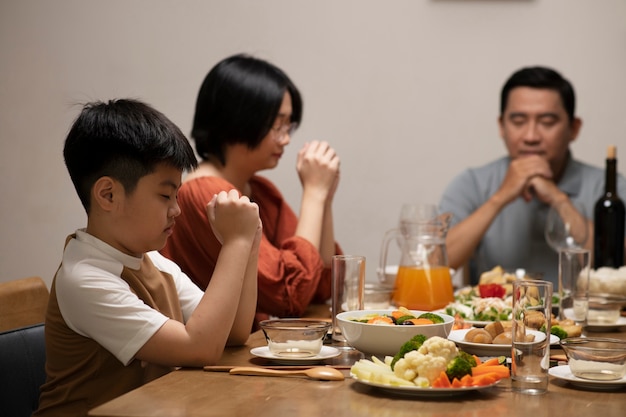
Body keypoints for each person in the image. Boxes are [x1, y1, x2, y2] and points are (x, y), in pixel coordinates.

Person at [34, 99, 261, 416]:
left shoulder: (154, 262)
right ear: (108, 195)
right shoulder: (84, 279)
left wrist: (249, 243)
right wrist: (235, 242)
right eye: (165, 195)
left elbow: (234, 334)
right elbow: (201, 348)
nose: (177, 209)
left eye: (177, 195)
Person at [161, 54, 341, 328]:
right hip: (210, 359)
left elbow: (322, 285)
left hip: (245, 349)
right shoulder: (207, 194)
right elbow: (290, 294)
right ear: (238, 119)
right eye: (277, 125)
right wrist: (314, 194)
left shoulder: (259, 190)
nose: (287, 138)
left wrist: (324, 199)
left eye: (288, 125)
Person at [439, 66, 626, 286]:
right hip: (494, 317)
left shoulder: (608, 188)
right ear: (502, 126)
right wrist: (500, 197)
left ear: (574, 129)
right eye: (518, 122)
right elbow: (433, 266)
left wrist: (559, 199)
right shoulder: (472, 183)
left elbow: (616, 263)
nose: (530, 136)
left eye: (547, 122)